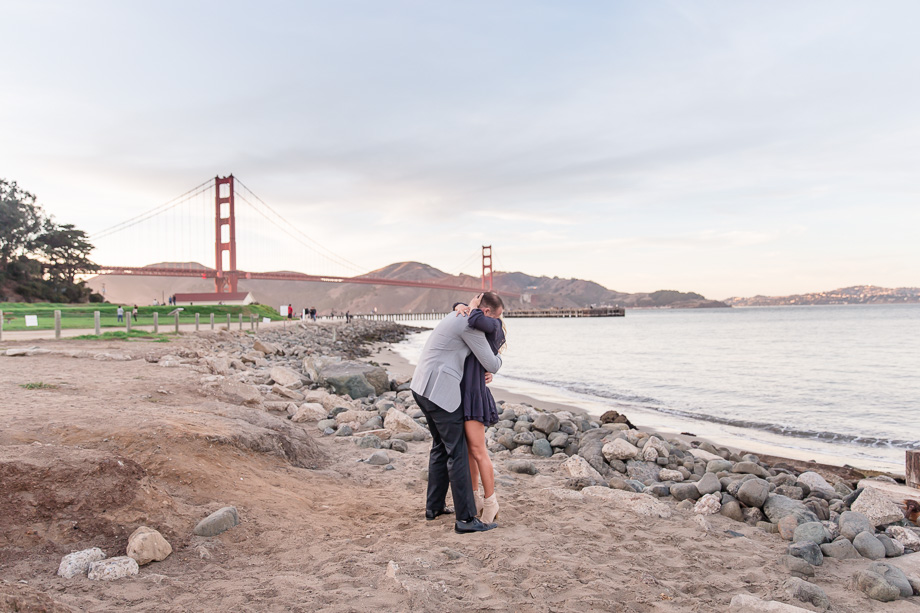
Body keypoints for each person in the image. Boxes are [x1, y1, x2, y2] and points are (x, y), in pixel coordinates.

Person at [410, 295, 503, 534]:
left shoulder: (457, 314)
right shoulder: (470, 323)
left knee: (440, 447)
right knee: (457, 451)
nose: (494, 323)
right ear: (484, 311)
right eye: (494, 317)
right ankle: (465, 519)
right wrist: (499, 359)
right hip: (439, 390)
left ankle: (435, 507)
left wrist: (459, 305)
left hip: (420, 385)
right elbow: (491, 363)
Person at [453, 292, 506, 523]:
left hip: (474, 394)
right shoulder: (483, 324)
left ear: (483, 311)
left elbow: (473, 320)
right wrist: (459, 305)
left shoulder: (493, 325)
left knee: (478, 451)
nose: (500, 318)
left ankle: (490, 502)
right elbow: (468, 316)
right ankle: (474, 499)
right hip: (467, 391)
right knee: (470, 452)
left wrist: (470, 306)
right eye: (499, 314)